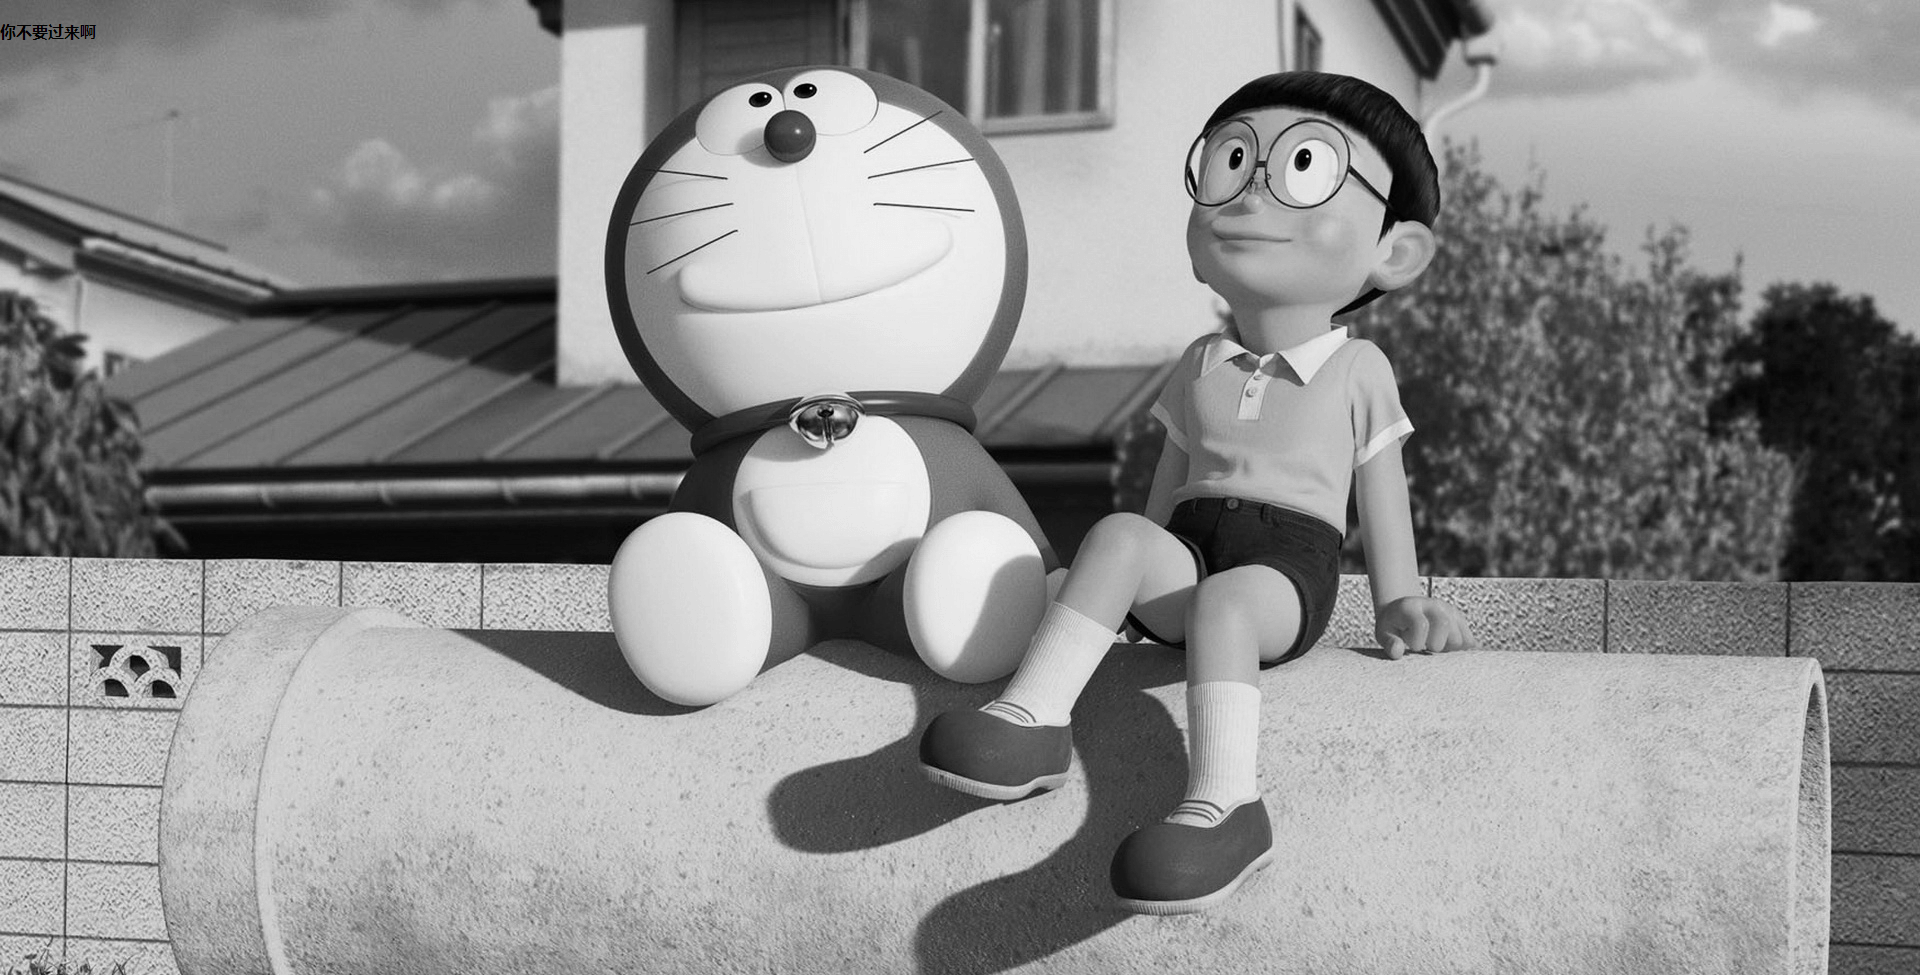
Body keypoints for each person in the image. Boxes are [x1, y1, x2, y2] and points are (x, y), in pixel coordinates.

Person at [917, 71, 1476, 915]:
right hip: (1189, 547)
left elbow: (1380, 489)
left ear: (1394, 251)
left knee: (1225, 605)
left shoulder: (1358, 367)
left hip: (1285, 569)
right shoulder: (1199, 363)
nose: (1251, 193)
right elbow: (1163, 495)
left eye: (1303, 169)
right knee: (1118, 534)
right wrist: (1109, 589)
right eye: (1232, 162)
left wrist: (1398, 600)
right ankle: (1031, 721)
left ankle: (1226, 805)